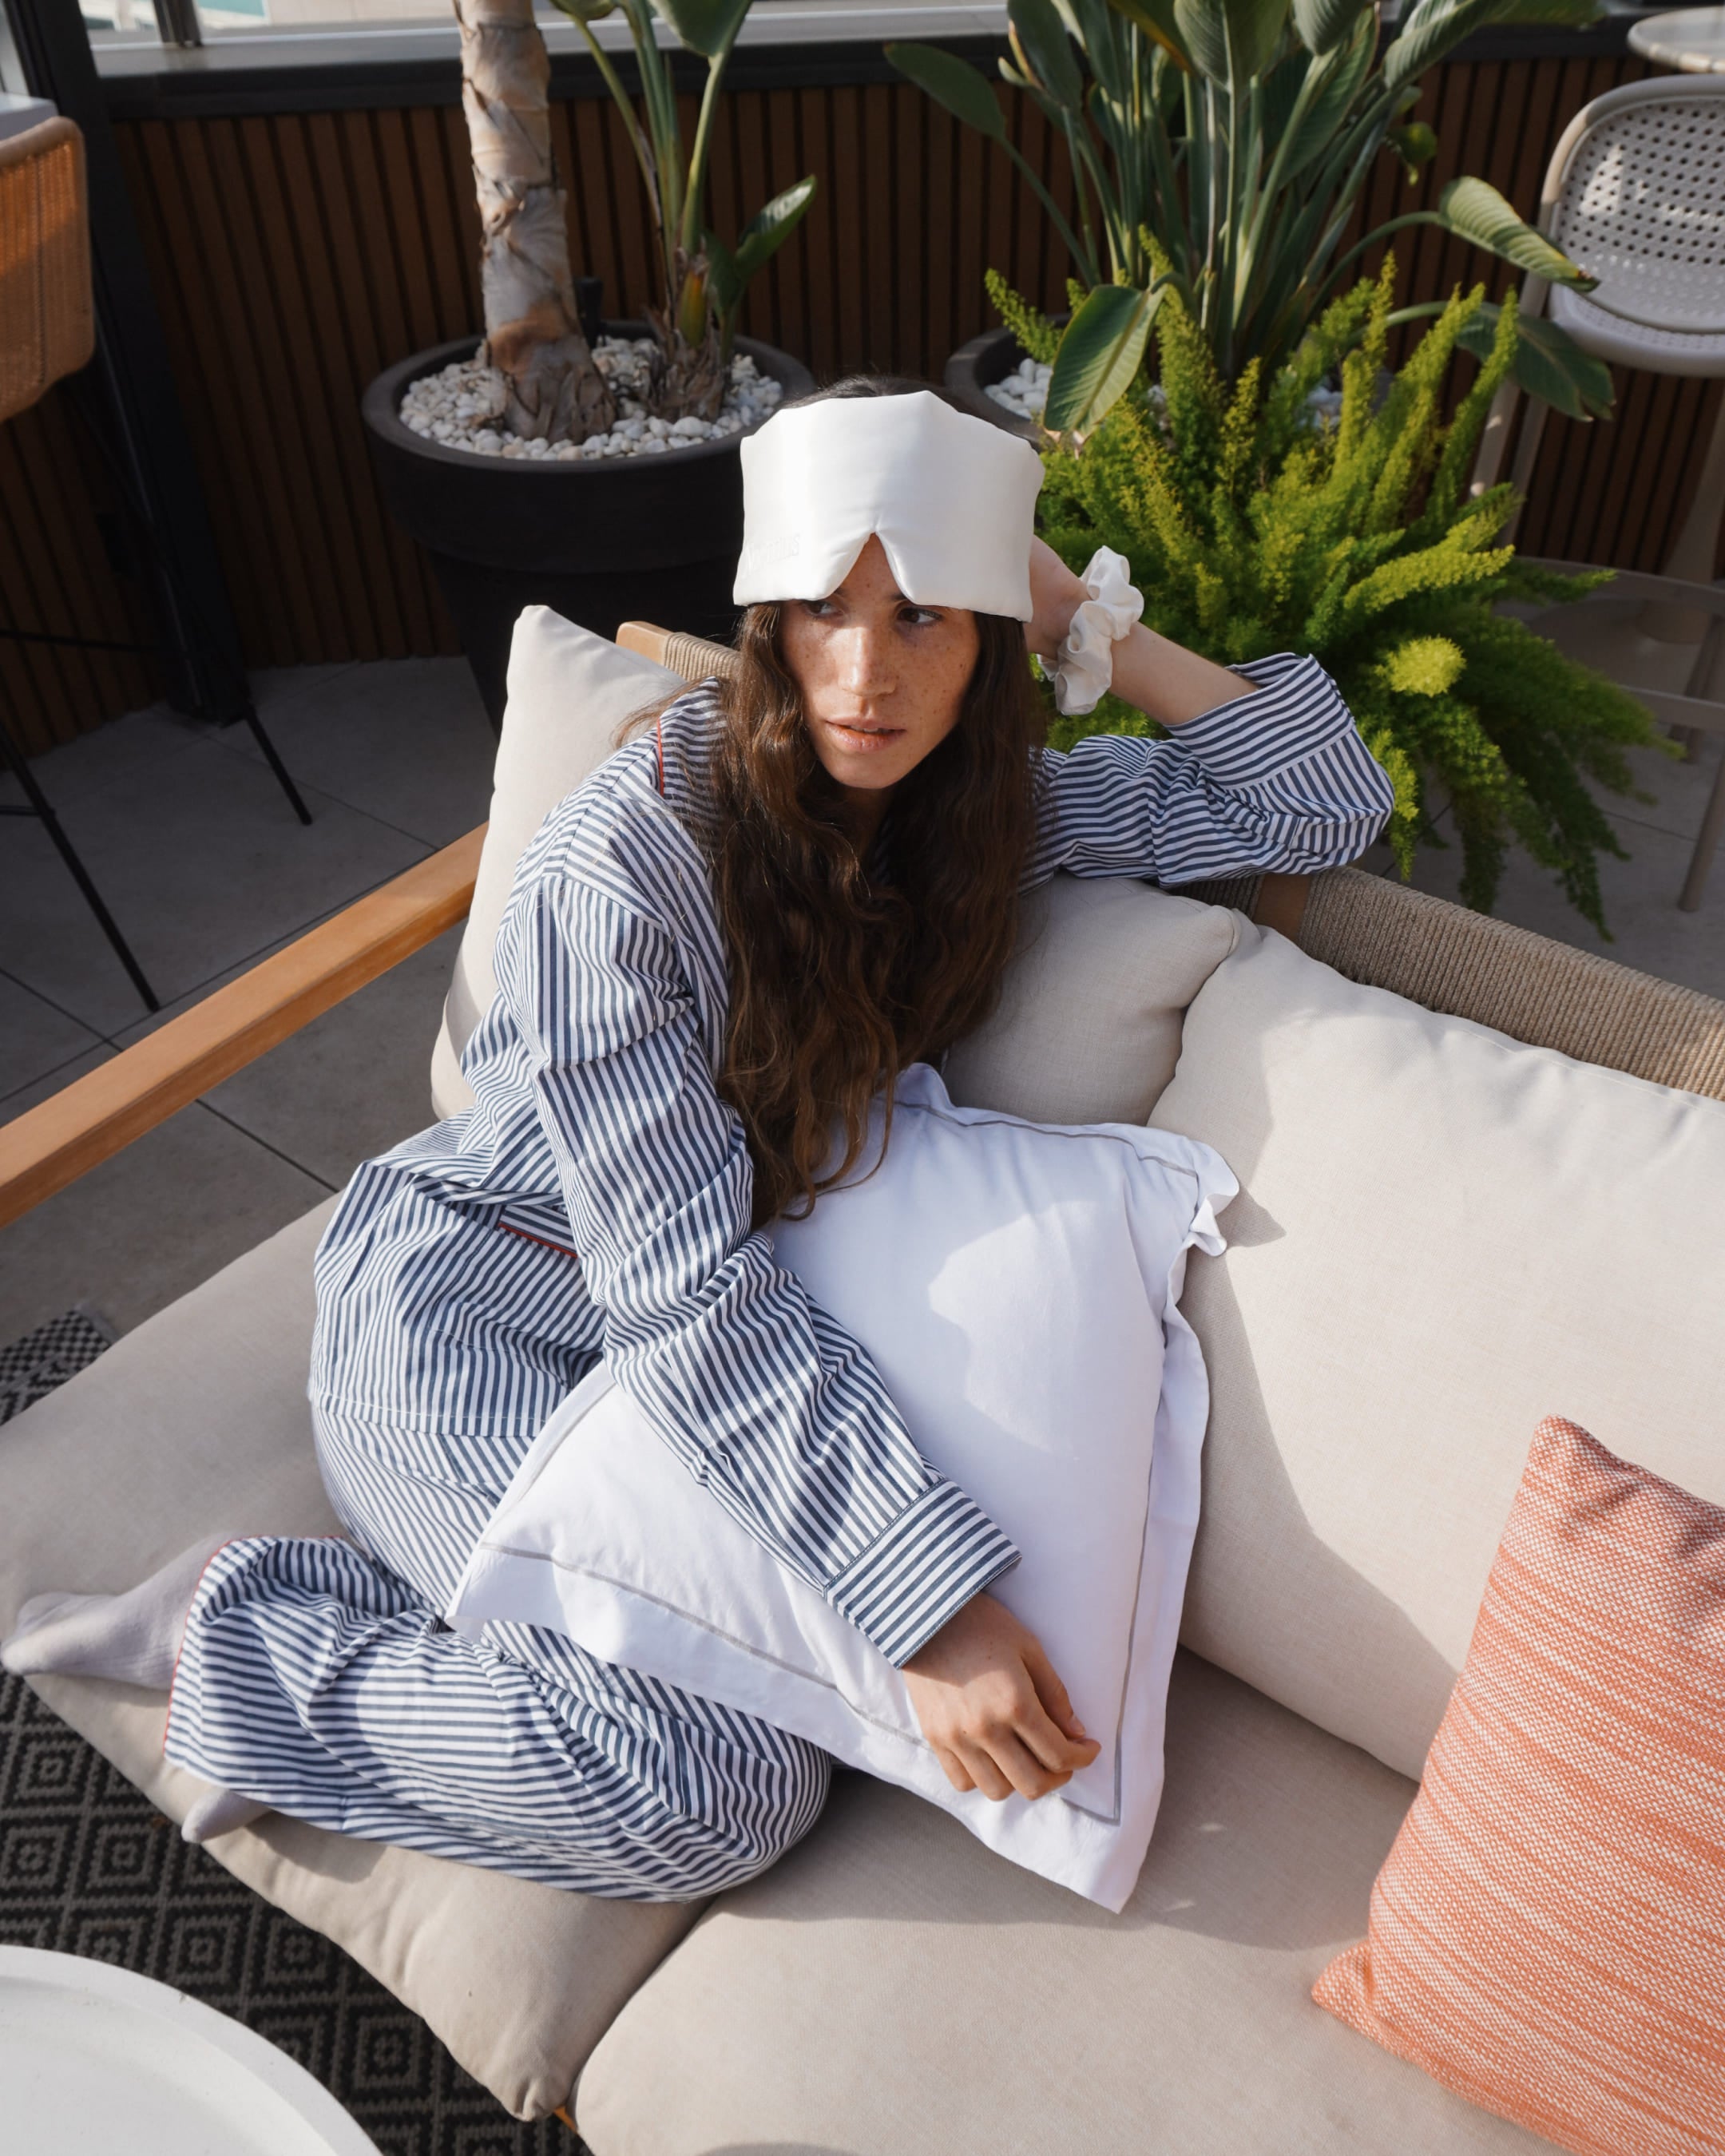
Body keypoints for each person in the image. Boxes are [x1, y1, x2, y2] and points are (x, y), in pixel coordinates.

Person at [3, 380, 1393, 1899]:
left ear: (989, 639)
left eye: (926, 615)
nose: (866, 674)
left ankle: (351, 1646)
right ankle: (244, 1642)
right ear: (764, 622)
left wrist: (1075, 607)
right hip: (469, 1323)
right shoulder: (626, 868)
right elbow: (683, 1288)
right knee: (714, 1789)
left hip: (688, 1370)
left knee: (749, 1758)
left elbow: (1318, 798)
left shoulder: (981, 820)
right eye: (822, 610)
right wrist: (936, 1614)